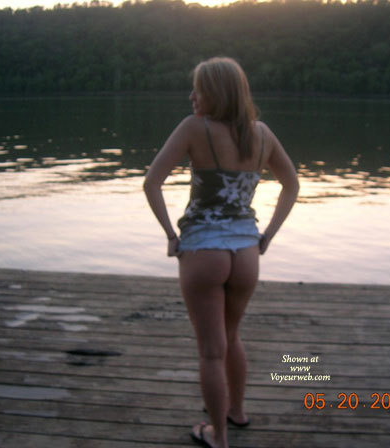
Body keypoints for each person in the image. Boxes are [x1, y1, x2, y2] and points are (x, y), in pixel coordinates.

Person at [144, 57, 299, 448]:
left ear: (218, 93)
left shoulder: (194, 128)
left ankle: (219, 436)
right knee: (232, 337)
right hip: (246, 252)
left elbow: (151, 182)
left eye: (199, 90)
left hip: (203, 251)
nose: (192, 96)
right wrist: (268, 235)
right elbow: (292, 184)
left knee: (211, 352)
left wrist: (170, 234)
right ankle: (237, 412)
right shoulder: (262, 133)